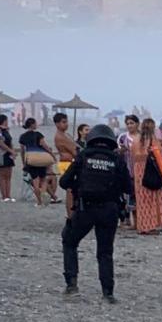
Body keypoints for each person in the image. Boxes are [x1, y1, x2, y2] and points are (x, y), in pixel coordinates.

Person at [59, 125, 132, 303]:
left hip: (86, 209)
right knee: (105, 252)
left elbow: (64, 181)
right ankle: (108, 292)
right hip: (109, 210)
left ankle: (72, 284)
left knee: (70, 241)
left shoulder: (83, 156)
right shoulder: (117, 159)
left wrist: (78, 186)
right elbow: (129, 188)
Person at [131, 119, 162, 235]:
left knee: (142, 199)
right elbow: (159, 156)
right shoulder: (154, 140)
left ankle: (142, 225)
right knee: (155, 197)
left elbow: (133, 156)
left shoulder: (136, 140)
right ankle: (152, 225)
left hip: (138, 169)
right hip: (151, 169)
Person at [19, 117, 56, 207]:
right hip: (41, 159)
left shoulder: (22, 136)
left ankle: (39, 202)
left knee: (35, 181)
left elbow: (22, 151)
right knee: (43, 180)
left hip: (31, 160)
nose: (37, 125)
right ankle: (43, 193)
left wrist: (24, 162)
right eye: (35, 123)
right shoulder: (38, 134)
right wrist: (52, 154)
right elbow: (44, 145)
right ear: (32, 125)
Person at [117, 115, 140, 228]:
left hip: (139, 170)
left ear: (137, 124)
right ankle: (126, 219)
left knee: (136, 195)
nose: (130, 125)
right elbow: (117, 152)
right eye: (128, 123)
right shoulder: (123, 137)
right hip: (126, 169)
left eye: (132, 123)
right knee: (126, 195)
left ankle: (137, 221)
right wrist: (122, 150)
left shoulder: (142, 137)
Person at [54, 113, 79, 198]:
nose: (66, 124)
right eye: (63, 122)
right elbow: (74, 151)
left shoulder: (64, 135)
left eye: (66, 122)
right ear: (57, 124)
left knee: (71, 187)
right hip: (67, 163)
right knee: (71, 188)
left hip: (65, 162)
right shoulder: (61, 137)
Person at [0, 115, 16, 202]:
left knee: (8, 176)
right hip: (2, 154)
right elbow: (0, 142)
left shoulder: (6, 130)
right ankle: (4, 196)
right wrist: (10, 150)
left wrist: (12, 151)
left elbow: (10, 142)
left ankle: (8, 195)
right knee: (3, 176)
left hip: (8, 154)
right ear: (4, 120)